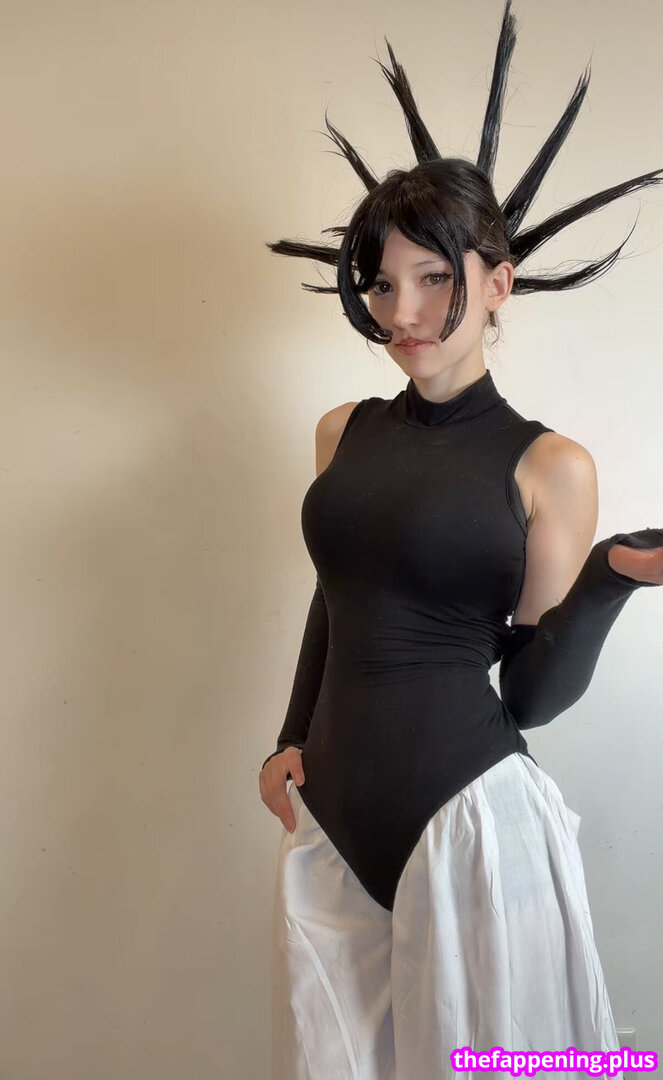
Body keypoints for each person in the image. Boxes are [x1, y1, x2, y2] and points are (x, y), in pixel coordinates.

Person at [258, 2, 663, 1076]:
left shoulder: (549, 466)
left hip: (471, 824)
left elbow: (527, 695)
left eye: (435, 279)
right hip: (330, 824)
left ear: (498, 282)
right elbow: (337, 590)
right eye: (382, 282)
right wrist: (288, 734)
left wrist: (610, 578)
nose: (402, 313)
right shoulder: (341, 431)